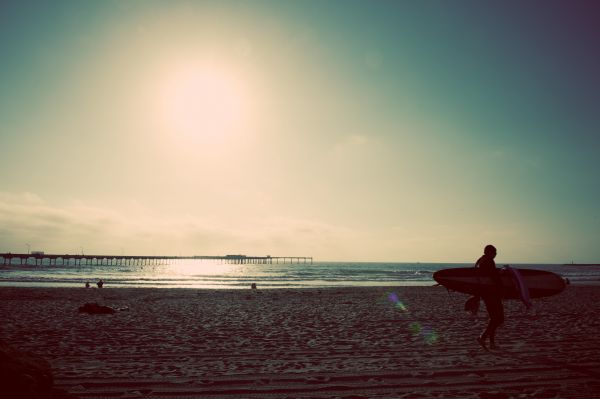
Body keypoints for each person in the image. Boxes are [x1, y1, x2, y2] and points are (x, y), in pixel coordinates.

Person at [475, 244, 504, 350]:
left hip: (486, 294)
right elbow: (494, 277)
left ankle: (491, 343)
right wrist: (501, 274)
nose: (496, 254)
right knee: (499, 318)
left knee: (494, 318)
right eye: (494, 252)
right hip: (492, 294)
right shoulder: (489, 261)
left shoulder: (481, 261)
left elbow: (486, 274)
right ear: (489, 252)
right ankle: (483, 337)